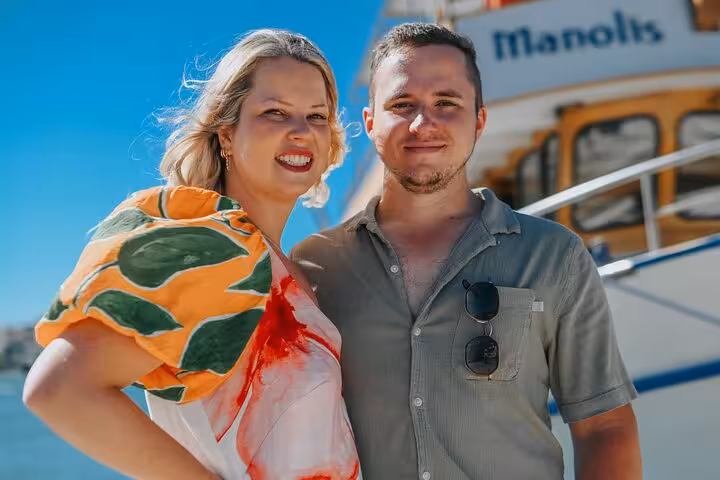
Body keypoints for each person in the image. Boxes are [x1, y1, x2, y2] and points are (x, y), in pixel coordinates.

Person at [291, 23, 642, 480]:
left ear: (478, 119)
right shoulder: (314, 267)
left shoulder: (556, 256)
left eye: (446, 103)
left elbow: (605, 428)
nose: (423, 123)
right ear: (370, 122)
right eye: (402, 105)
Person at [23, 29, 360, 480]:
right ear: (225, 133)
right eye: (274, 112)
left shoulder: (292, 270)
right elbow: (60, 391)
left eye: (317, 115)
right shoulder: (210, 244)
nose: (300, 131)